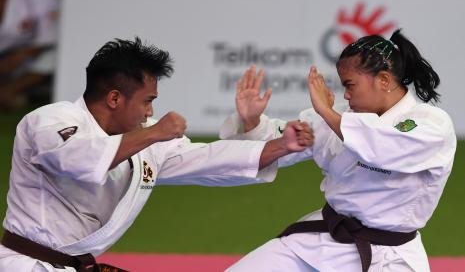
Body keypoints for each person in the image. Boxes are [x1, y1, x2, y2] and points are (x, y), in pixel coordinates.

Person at [0, 37, 314, 272]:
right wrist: (154, 132)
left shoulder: (143, 142)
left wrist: (278, 146)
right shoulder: (49, 120)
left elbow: (207, 160)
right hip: (25, 264)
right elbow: (78, 160)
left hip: (77, 264)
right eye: (147, 101)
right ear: (114, 98)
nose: (151, 111)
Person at [220, 29, 456, 271]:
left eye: (350, 85)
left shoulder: (431, 123)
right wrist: (252, 121)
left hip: (389, 258)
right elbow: (284, 140)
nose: (345, 94)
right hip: (322, 242)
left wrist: (326, 111)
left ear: (384, 80)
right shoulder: (341, 116)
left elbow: (382, 147)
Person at [0, 0, 59, 110]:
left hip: (31, 54)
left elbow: (54, 31)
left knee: (56, 57)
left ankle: (9, 90)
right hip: (5, 59)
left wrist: (25, 54)